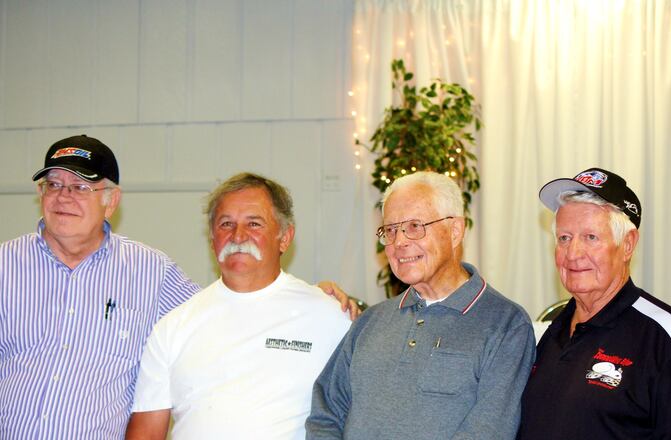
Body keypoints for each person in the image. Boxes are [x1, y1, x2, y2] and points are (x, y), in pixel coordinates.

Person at [0, 135, 358, 439]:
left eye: (80, 186)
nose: (64, 197)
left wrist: (317, 296)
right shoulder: (4, 266)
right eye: (54, 185)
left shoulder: (152, 273)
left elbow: (240, 303)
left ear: (110, 200)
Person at [306, 171, 536, 440]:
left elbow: (489, 430)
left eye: (415, 226)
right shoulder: (370, 322)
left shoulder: (506, 325)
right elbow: (325, 415)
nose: (399, 242)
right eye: (390, 230)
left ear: (455, 231)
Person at [125, 173, 351, 439]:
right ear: (212, 239)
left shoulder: (329, 316)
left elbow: (362, 414)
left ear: (285, 237)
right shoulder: (173, 327)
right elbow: (146, 434)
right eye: (226, 224)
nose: (238, 236)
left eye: (254, 224)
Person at [519, 168, 671, 439]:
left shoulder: (664, 337)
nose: (573, 253)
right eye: (564, 238)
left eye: (591, 237)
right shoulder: (552, 333)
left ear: (627, 245)